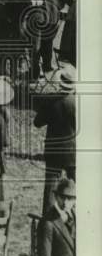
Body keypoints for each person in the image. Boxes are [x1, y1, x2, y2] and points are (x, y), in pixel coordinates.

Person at [34, 65, 76, 215]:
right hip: (72, 151)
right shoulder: (76, 102)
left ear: (60, 83)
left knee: (50, 188)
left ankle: (48, 218)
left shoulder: (51, 101)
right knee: (76, 184)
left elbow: (37, 122)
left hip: (53, 151)